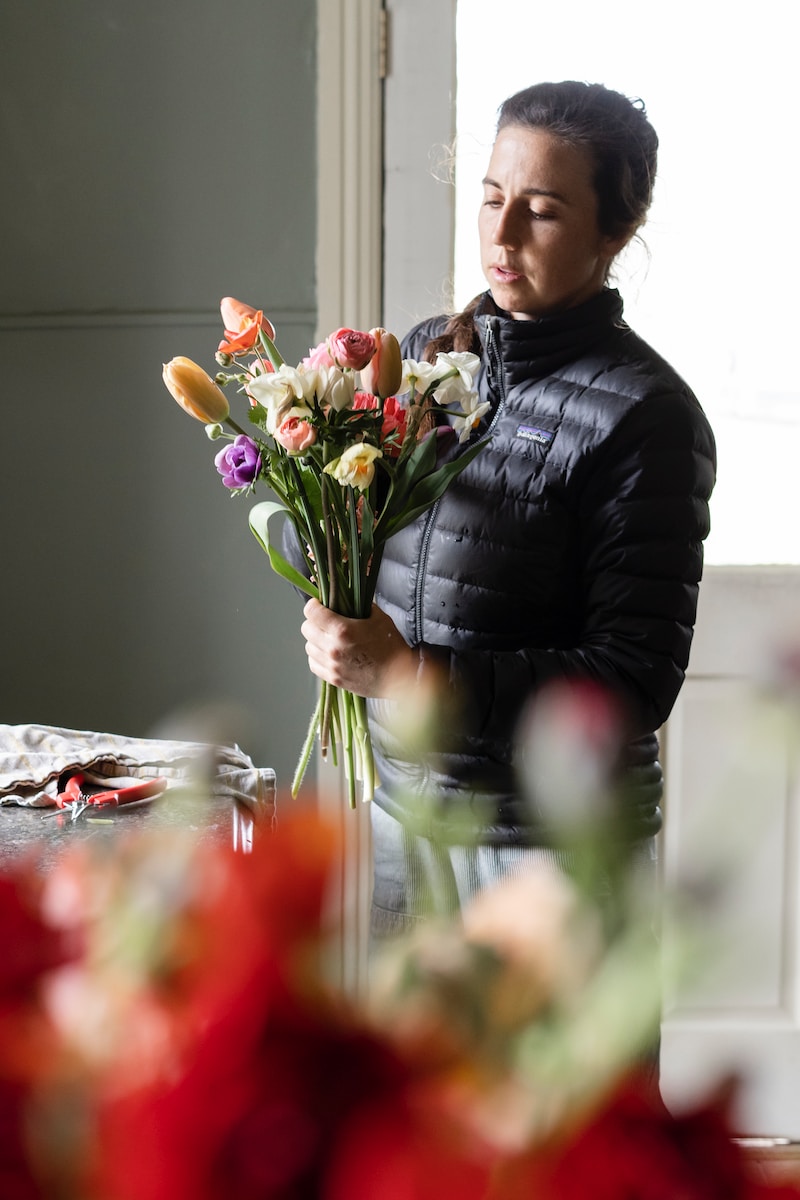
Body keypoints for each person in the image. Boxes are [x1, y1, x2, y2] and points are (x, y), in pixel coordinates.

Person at [299, 80, 716, 943]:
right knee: (403, 1083)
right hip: (403, 819)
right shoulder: (419, 359)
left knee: (558, 1086)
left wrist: (413, 679)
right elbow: (381, 553)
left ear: (616, 231)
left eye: (544, 210)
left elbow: (634, 679)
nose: (501, 232)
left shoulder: (648, 416)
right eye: (491, 198)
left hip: (552, 854)